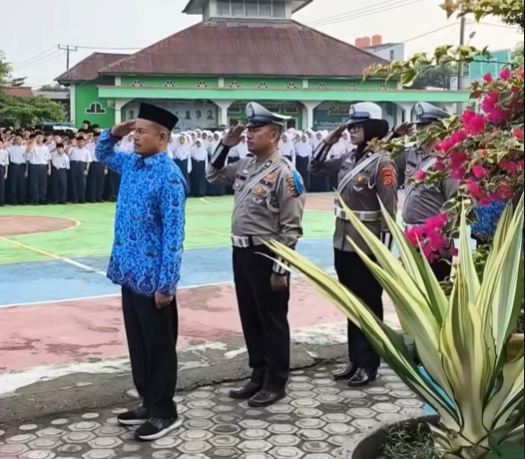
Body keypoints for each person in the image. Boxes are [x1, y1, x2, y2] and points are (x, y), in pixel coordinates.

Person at [95, 103, 187, 442]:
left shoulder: (170, 177)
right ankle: (148, 402)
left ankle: (164, 411)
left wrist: (166, 284)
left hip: (152, 281)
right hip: (128, 274)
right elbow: (102, 152)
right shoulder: (132, 164)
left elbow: (174, 236)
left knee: (159, 347)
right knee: (139, 344)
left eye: (142, 132)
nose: (135, 137)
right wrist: (117, 130)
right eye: (134, 131)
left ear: (162, 138)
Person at [207, 102, 306, 407]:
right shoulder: (246, 165)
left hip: (267, 253)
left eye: (256, 129)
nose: (248, 134)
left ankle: (276, 381)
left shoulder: (285, 174)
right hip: (242, 251)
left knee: (272, 319)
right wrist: (226, 145)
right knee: (250, 316)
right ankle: (258, 373)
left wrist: (281, 269)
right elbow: (213, 174)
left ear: (274, 135)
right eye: (248, 129)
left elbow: (291, 228)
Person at [309, 102, 398, 387]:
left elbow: (388, 215)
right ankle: (354, 359)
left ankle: (368, 363)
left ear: (371, 128)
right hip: (343, 243)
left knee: (369, 305)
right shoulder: (348, 158)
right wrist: (329, 140)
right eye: (350, 127)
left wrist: (383, 255)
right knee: (351, 303)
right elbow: (314, 166)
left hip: (367, 247)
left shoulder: (383, 163)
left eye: (357, 126)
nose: (351, 131)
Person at [395, 102, 459, 282]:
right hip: (410, 236)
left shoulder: (446, 161)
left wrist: (440, 237)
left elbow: (454, 204)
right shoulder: (411, 153)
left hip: (434, 243)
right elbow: (381, 155)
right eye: (419, 125)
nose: (419, 129)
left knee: (435, 290)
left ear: (439, 128)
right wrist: (395, 134)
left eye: (424, 125)